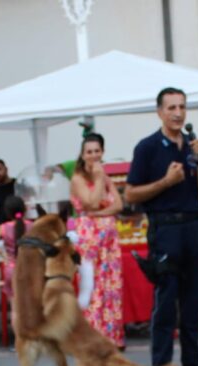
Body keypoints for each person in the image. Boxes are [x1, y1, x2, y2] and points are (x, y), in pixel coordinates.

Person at [124, 87, 198, 366]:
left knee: (193, 303)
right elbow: (131, 194)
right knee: (166, 305)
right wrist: (165, 182)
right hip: (165, 230)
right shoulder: (148, 148)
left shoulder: (191, 147)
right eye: (171, 108)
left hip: (193, 228)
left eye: (182, 107)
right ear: (159, 112)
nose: (178, 113)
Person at [70, 133, 125, 348]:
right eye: (89, 152)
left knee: (111, 285)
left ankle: (112, 335)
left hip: (109, 240)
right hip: (90, 239)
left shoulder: (106, 176)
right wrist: (100, 178)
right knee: (92, 286)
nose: (93, 155)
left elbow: (119, 205)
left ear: (102, 152)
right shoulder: (78, 179)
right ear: (83, 155)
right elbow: (91, 203)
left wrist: (102, 214)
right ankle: (92, 336)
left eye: (97, 151)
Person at [0, 195, 32, 302]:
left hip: (12, 270)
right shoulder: (33, 226)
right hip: (31, 269)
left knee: (16, 309)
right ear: (25, 208)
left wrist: (3, 253)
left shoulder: (4, 228)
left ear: (7, 212)